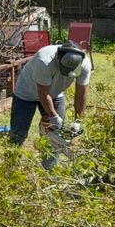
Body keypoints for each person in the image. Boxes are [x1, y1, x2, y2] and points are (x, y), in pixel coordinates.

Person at [9, 40, 92, 169]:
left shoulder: (85, 63)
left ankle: (49, 170)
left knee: (55, 135)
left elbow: (81, 93)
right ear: (58, 57)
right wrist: (53, 116)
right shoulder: (44, 60)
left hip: (55, 94)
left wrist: (78, 120)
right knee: (18, 134)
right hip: (26, 93)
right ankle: (10, 170)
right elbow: (43, 92)